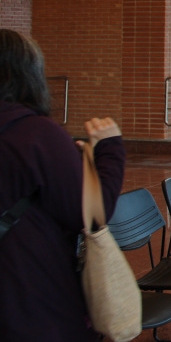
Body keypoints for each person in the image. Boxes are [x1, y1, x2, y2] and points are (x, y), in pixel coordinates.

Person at [0, 29, 126, 341]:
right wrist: (109, 150)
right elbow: (91, 214)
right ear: (28, 75)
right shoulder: (36, 135)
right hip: (32, 302)